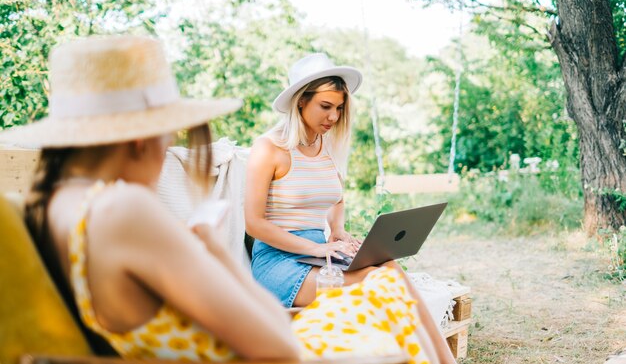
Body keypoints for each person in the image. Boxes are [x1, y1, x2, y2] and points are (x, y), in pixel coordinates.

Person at [3, 36, 454, 363]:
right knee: (389, 288)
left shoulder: (53, 207)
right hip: (266, 342)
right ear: (141, 139)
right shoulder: (123, 211)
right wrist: (217, 252)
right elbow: (276, 343)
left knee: (386, 279)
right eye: (170, 132)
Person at [245, 53, 456, 362]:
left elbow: (336, 197)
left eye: (339, 108)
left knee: (392, 269)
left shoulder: (327, 147)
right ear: (300, 102)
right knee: (380, 281)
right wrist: (317, 249)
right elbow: (254, 224)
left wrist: (338, 233)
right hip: (278, 263)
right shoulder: (269, 148)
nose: (333, 117)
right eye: (325, 107)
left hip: (319, 254)